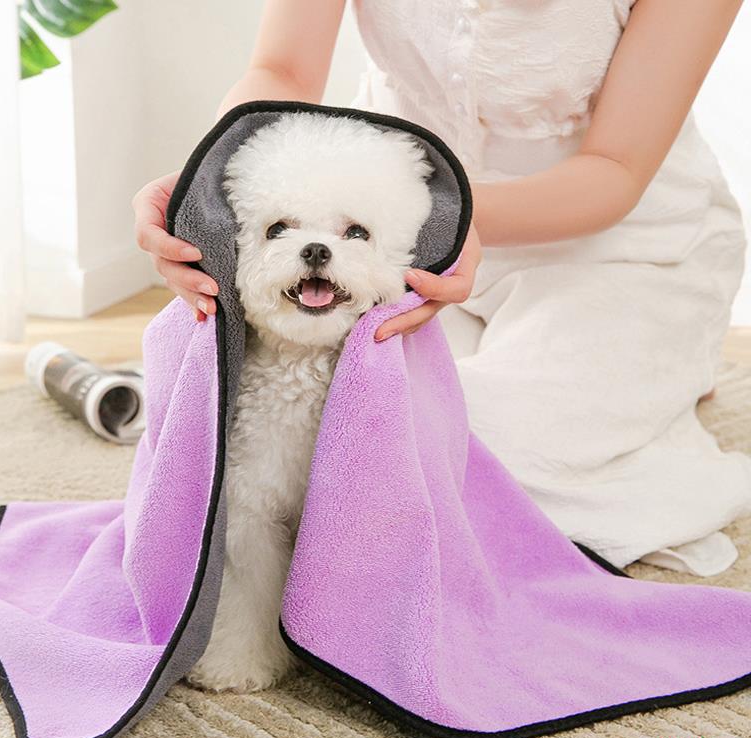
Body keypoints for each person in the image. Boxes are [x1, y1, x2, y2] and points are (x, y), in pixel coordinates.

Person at [132, 0, 750, 575]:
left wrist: (441, 216)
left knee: (462, 466)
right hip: (388, 233)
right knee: (302, 436)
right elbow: (283, 69)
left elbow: (615, 169)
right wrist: (212, 180)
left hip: (610, 243)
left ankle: (663, 367)